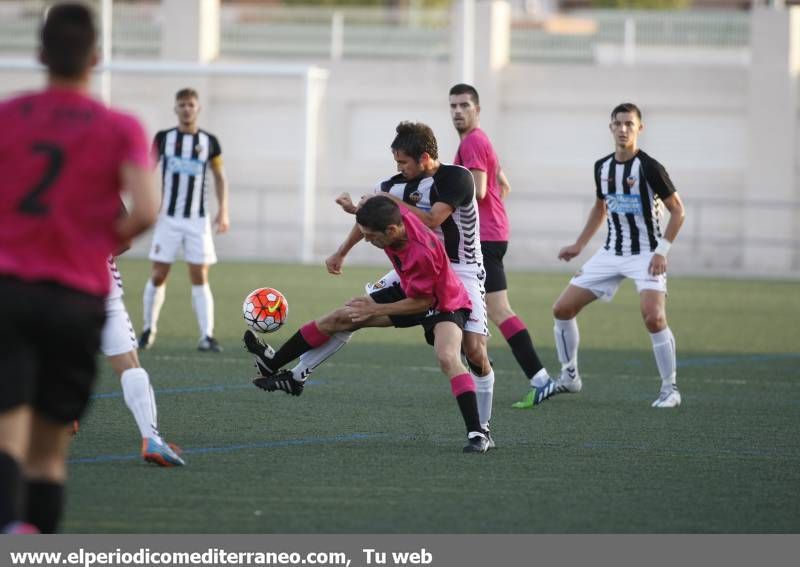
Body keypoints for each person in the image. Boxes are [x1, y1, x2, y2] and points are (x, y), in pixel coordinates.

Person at [0, 2, 158, 533]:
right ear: (97, 57)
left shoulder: (8, 115)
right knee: (48, 452)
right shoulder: (119, 127)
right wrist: (98, 244)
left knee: (7, 436)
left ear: (40, 54)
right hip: (77, 296)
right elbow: (148, 210)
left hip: (11, 290)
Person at [248, 196, 491, 453]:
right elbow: (368, 211)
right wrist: (353, 214)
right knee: (340, 317)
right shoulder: (391, 220)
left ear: (391, 230)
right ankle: (273, 364)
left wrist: (375, 309)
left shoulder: (421, 252)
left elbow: (423, 302)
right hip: (408, 288)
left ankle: (478, 433)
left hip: (443, 301)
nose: (367, 240)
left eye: (371, 236)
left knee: (447, 357)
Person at [312, 121, 496, 436]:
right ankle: (301, 370)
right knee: (355, 310)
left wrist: (388, 199)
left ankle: (483, 424)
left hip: (461, 268)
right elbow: (371, 217)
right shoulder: (395, 184)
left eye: (403, 162)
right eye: (396, 162)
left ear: (424, 158)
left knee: (474, 350)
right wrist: (342, 249)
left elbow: (431, 219)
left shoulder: (455, 178)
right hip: (417, 265)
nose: (399, 168)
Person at [551, 102, 686, 408]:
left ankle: (670, 389)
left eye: (629, 124)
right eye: (618, 124)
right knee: (561, 309)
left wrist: (662, 251)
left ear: (640, 128)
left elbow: (678, 211)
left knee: (654, 317)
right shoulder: (602, 167)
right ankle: (569, 375)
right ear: (610, 127)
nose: (623, 129)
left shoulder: (650, 167)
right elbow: (601, 208)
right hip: (611, 253)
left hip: (647, 255)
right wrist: (579, 244)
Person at [449, 83, 555, 408]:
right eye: (453, 106)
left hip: (482, 239)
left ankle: (540, 379)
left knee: (496, 309)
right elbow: (502, 185)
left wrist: (442, 205)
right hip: (488, 234)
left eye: (464, 105)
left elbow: (479, 190)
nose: (457, 111)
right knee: (470, 305)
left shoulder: (473, 142)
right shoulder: (479, 142)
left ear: (477, 110)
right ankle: (483, 366)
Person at [139, 88, 229, 353]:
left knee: (199, 275)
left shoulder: (209, 142)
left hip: (197, 221)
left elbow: (220, 177)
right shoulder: (163, 138)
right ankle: (148, 330)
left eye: (191, 104)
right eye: (182, 105)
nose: (187, 109)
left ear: (198, 108)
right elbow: (146, 170)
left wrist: (223, 210)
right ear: (175, 109)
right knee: (158, 274)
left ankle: (206, 336)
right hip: (168, 218)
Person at [99, 257, 184, 466]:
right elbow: (126, 237)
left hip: (44, 285)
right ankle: (151, 439)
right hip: (100, 286)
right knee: (130, 367)